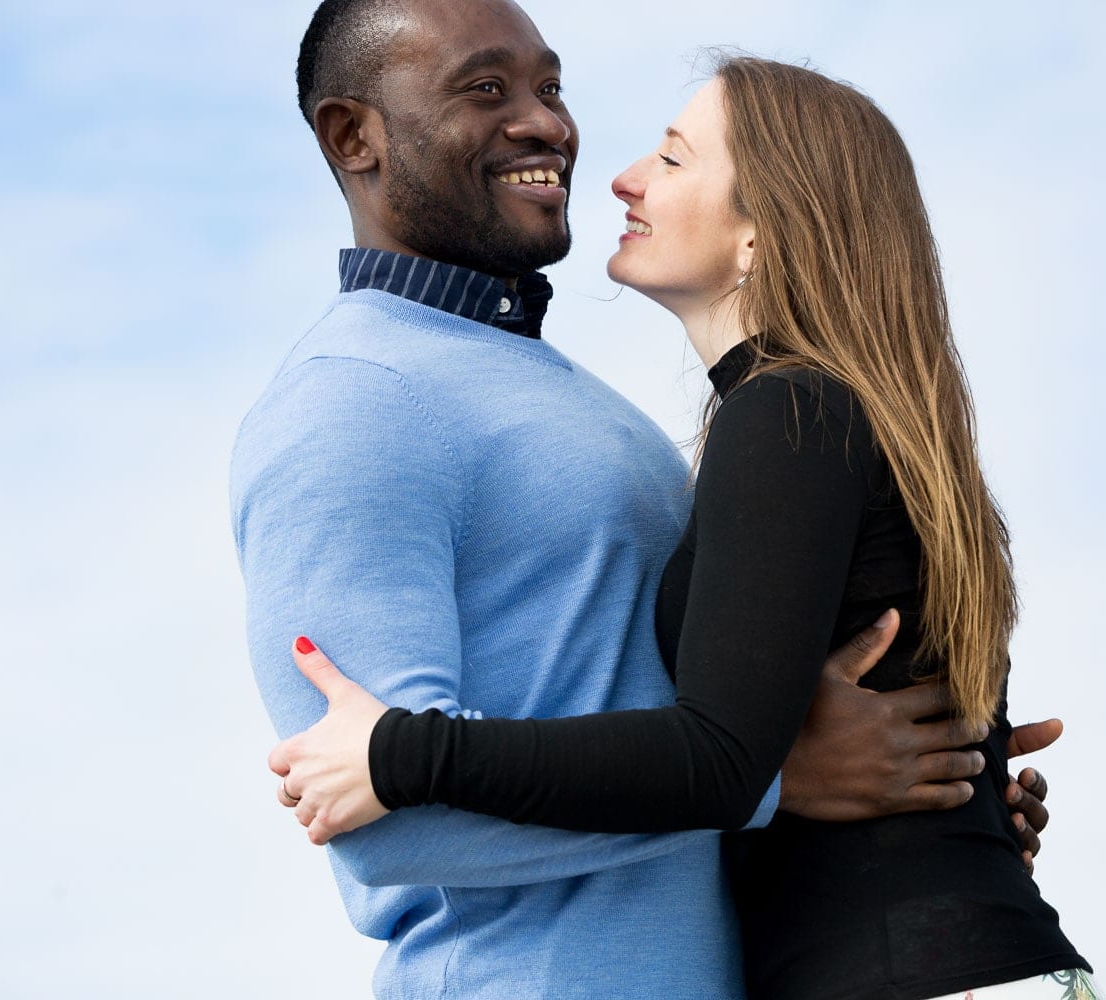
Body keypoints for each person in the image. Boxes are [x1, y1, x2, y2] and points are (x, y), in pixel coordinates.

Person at [234, 2, 1057, 997]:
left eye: (551, 86)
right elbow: (382, 815)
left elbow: (729, 695)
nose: (548, 123)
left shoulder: (609, 413)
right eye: (485, 89)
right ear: (352, 134)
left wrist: (940, 812)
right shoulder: (351, 403)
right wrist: (776, 780)